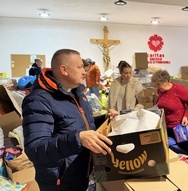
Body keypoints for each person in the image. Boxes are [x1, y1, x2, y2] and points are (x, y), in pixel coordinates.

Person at [22, 49, 118, 191]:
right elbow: (35, 149)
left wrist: (104, 119)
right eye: (79, 67)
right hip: (60, 182)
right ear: (64, 70)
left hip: (80, 174)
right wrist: (78, 139)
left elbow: (80, 124)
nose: (85, 72)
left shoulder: (77, 94)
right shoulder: (38, 100)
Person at [151, 69, 188, 157]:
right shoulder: (160, 91)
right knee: (172, 153)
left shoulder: (178, 89)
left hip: (180, 128)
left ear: (166, 81)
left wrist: (186, 116)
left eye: (159, 84)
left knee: (184, 154)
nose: (157, 87)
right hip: (167, 127)